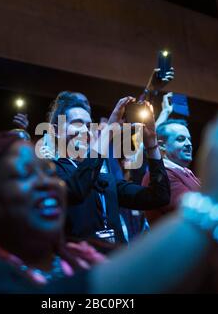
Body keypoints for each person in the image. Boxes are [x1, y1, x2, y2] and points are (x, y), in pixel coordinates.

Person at [0, 107, 218, 293]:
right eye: (23, 175)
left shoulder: (91, 253)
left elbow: (156, 196)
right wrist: (216, 202)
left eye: (45, 173)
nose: (46, 183)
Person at [48, 91, 171, 244]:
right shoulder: (50, 173)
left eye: (88, 126)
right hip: (81, 265)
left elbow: (159, 197)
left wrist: (151, 144)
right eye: (77, 124)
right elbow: (77, 188)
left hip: (114, 264)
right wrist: (109, 130)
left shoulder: (105, 179)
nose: (86, 131)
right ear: (56, 131)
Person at [142, 116, 200, 224]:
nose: (189, 144)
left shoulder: (183, 172)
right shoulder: (164, 175)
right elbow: (193, 210)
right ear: (162, 145)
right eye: (180, 139)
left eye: (189, 139)